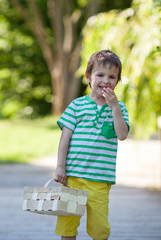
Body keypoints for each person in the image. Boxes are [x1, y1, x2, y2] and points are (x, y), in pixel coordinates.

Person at [54, 49, 130, 240]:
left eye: (112, 77)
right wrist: (60, 167)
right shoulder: (77, 105)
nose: (106, 81)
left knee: (99, 228)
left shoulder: (119, 108)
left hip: (99, 179)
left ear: (117, 81)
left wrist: (114, 108)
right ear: (88, 77)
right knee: (67, 226)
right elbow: (65, 138)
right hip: (72, 178)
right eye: (100, 75)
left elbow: (122, 134)